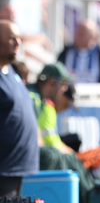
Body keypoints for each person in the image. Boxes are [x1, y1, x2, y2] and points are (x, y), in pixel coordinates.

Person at [0, 19, 39, 197]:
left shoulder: (11, 72)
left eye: (19, 38)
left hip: (17, 167)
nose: (18, 43)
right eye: (12, 38)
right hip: (4, 167)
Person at [57, 19, 100, 83]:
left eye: (83, 33)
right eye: (77, 31)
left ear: (94, 37)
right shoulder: (65, 53)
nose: (78, 35)